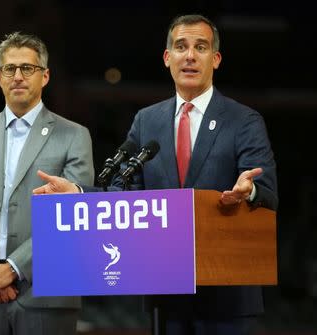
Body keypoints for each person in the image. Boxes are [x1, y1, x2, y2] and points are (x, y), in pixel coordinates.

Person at [33, 14, 278, 335]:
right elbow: (127, 195)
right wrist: (78, 194)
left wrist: (251, 191)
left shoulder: (243, 121)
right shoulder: (147, 121)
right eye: (181, 47)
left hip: (228, 299)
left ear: (215, 59)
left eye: (200, 47)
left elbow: (268, 191)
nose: (190, 55)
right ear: (167, 58)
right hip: (167, 297)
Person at [0, 32, 94, 335]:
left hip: (46, 292)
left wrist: (12, 269)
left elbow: (73, 217)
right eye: (10, 69)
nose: (18, 76)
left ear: (45, 76)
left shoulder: (74, 136)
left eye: (28, 68)